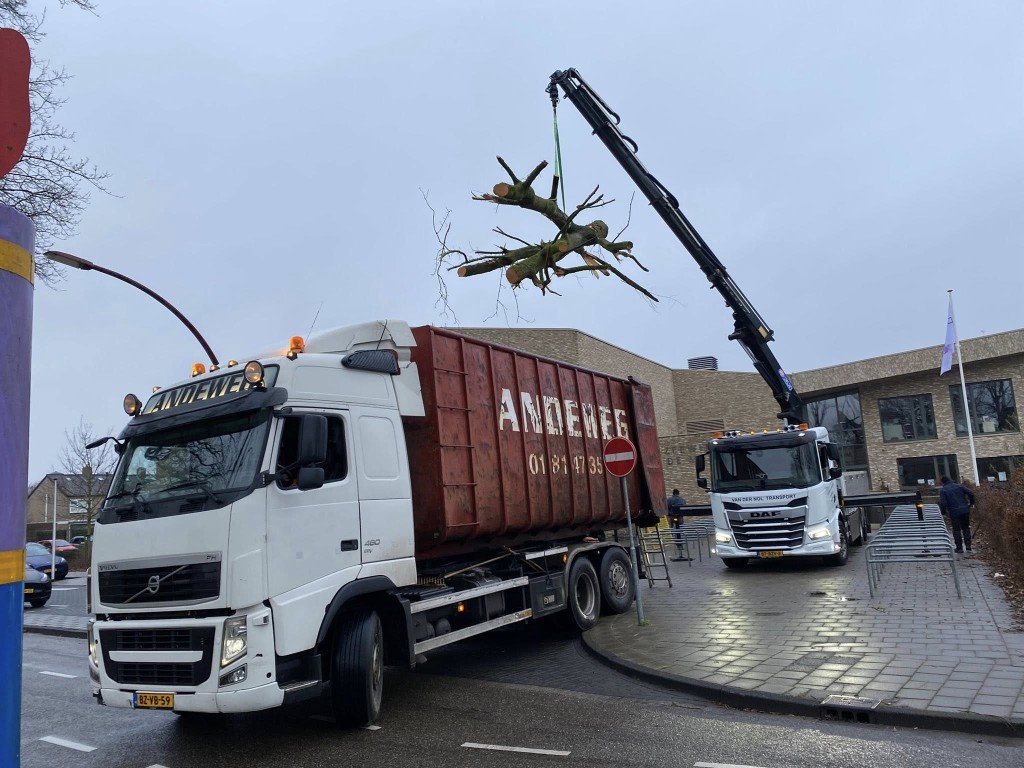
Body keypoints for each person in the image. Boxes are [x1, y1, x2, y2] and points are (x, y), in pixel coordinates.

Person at [938, 475, 976, 553]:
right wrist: (971, 503)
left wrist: (943, 512)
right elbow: (971, 493)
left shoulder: (943, 490)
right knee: (966, 528)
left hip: (953, 511)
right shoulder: (959, 486)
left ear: (943, 482)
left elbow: (943, 503)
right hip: (965, 510)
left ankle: (959, 548)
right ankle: (968, 546)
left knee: (956, 529)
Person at [667, 489, 691, 561]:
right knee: (680, 529)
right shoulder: (682, 500)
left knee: (673, 530)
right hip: (680, 517)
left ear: (673, 493)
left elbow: (667, 507)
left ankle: (675, 542)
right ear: (678, 493)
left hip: (672, 517)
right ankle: (680, 543)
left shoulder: (669, 500)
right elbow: (685, 507)